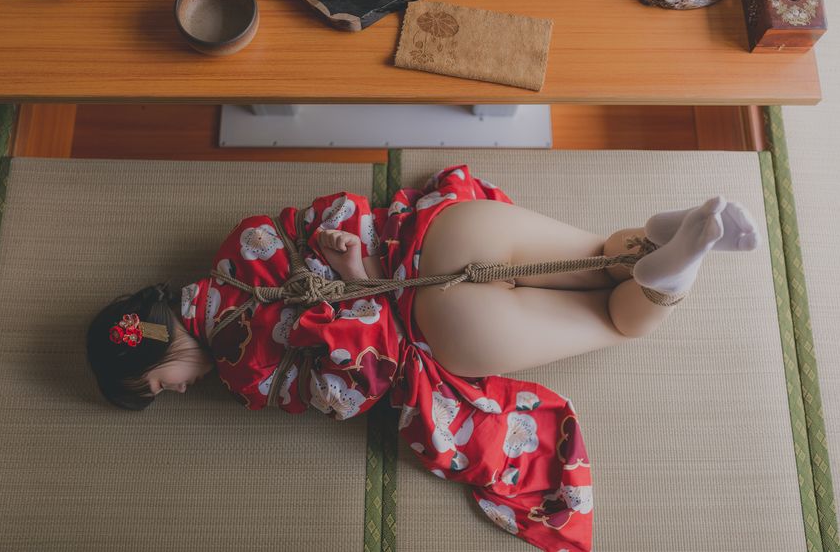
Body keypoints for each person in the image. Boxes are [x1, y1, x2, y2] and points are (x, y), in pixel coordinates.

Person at [86, 165, 759, 552]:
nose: (178, 392)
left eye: (159, 384)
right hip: (447, 235)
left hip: (446, 329)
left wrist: (359, 301)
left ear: (155, 344)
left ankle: (680, 263)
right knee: (602, 256)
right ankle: (671, 232)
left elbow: (356, 382)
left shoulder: (243, 374)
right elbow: (338, 219)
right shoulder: (241, 246)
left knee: (616, 318)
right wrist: (357, 267)